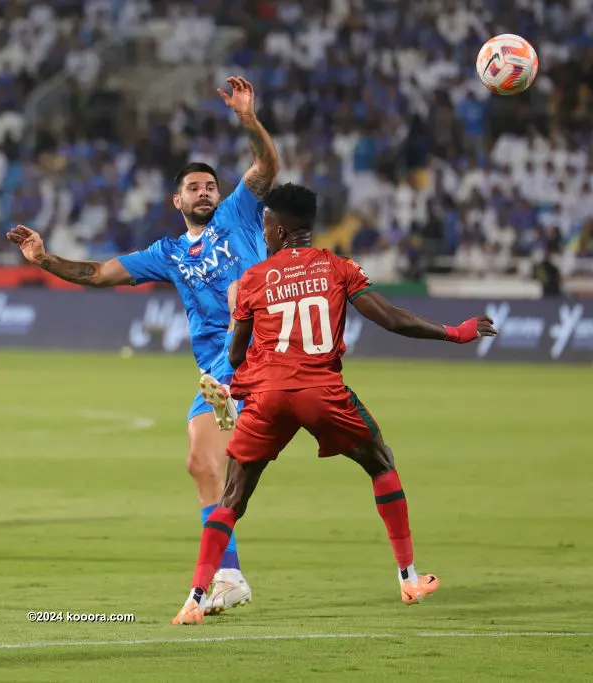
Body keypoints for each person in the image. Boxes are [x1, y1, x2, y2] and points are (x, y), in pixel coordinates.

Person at [7, 77, 279, 615]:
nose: (204, 191)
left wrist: (249, 121)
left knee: (235, 301)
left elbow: (266, 168)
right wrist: (45, 259)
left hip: (260, 346)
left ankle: (400, 555)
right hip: (215, 368)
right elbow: (98, 272)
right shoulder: (168, 252)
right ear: (176, 200)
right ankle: (230, 575)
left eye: (210, 186)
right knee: (201, 463)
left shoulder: (238, 215)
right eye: (194, 188)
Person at [172, 183, 497, 625]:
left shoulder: (253, 279)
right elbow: (393, 319)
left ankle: (194, 598)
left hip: (266, 396)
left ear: (282, 229)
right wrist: (457, 333)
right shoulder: (338, 268)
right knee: (381, 461)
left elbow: (233, 355)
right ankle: (408, 577)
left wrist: (241, 378)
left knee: (232, 496)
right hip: (322, 391)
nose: (262, 230)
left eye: (266, 223)